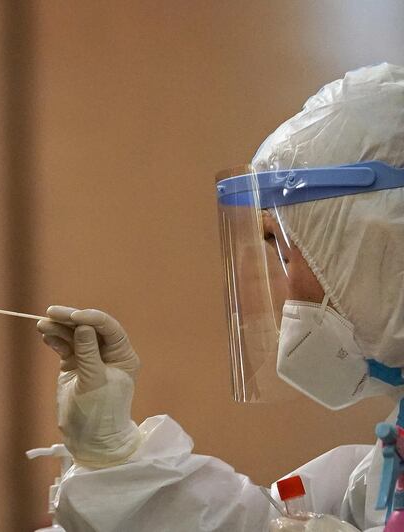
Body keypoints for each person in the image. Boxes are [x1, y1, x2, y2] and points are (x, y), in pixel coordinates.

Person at [38, 62, 404, 532]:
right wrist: (117, 457)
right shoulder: (376, 469)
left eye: (286, 251)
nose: (283, 292)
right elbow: (262, 524)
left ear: (382, 248)